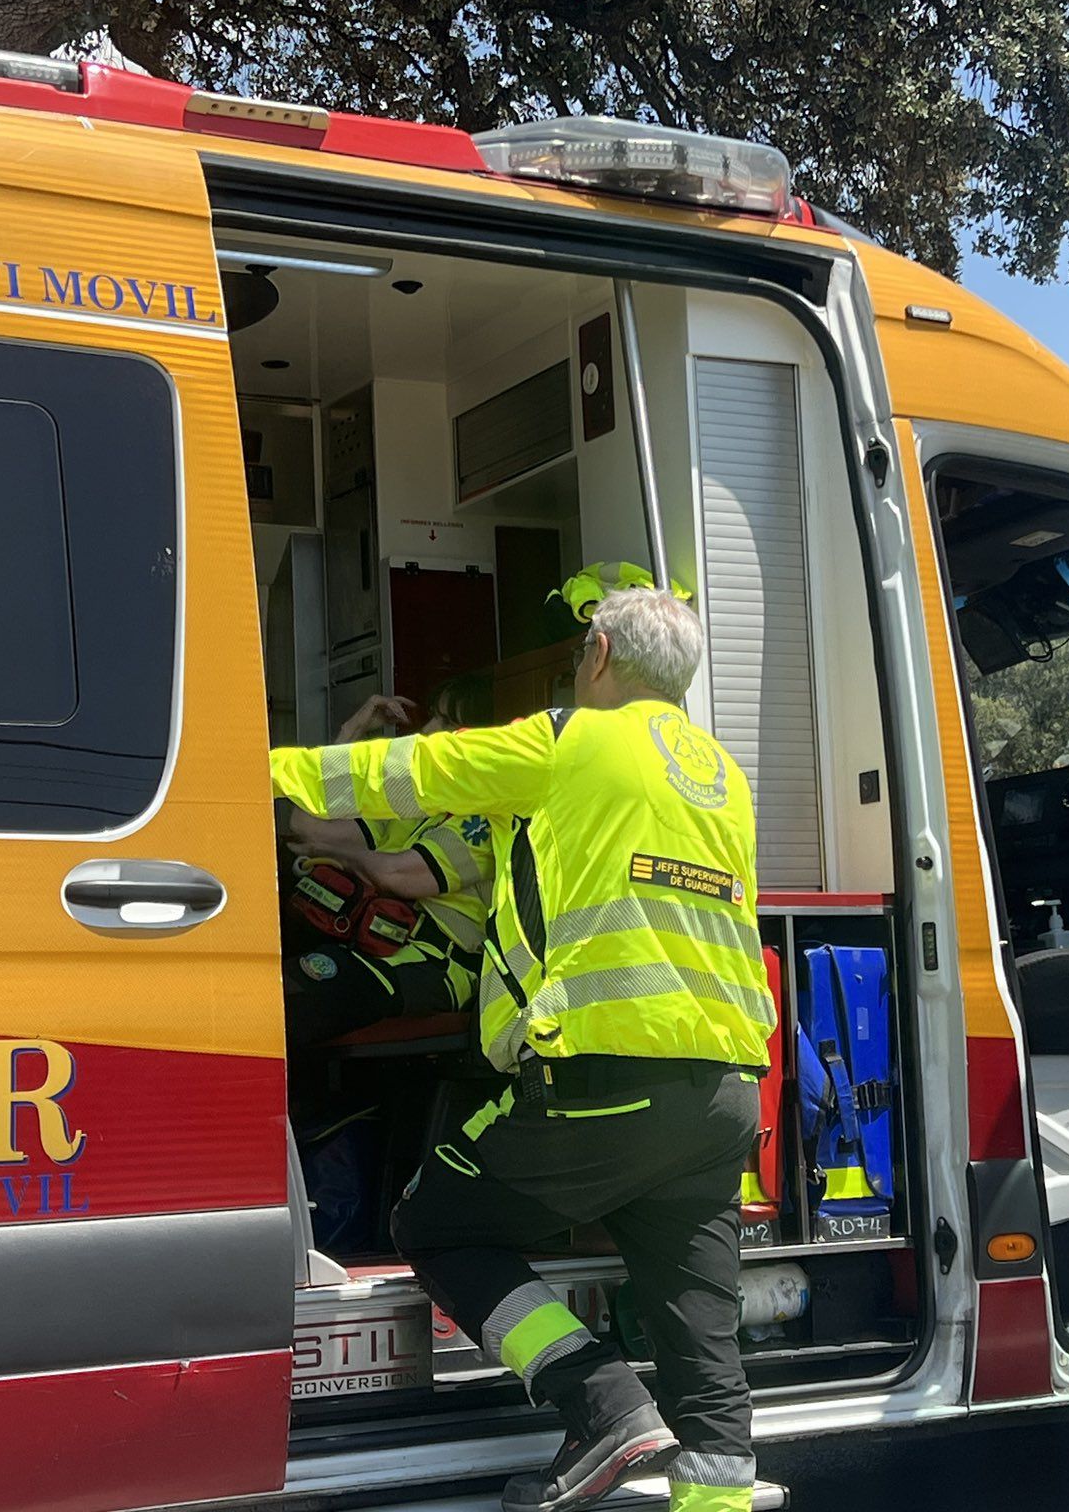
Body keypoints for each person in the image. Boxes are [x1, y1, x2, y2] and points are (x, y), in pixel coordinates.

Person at [270, 589, 775, 1512]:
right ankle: (717, 1497)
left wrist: (255, 770)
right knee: (703, 1342)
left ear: (600, 651)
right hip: (724, 1098)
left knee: (440, 1227)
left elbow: (412, 774)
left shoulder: (569, 740)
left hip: (607, 1082)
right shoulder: (723, 777)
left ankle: (604, 1402)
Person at [279, 677, 494, 1049]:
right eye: (432, 718)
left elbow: (396, 875)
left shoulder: (487, 819)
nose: (426, 730)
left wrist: (339, 855)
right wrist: (354, 728)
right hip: (368, 940)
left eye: (444, 722)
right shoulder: (418, 805)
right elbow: (305, 826)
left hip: (434, 965)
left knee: (290, 1002)